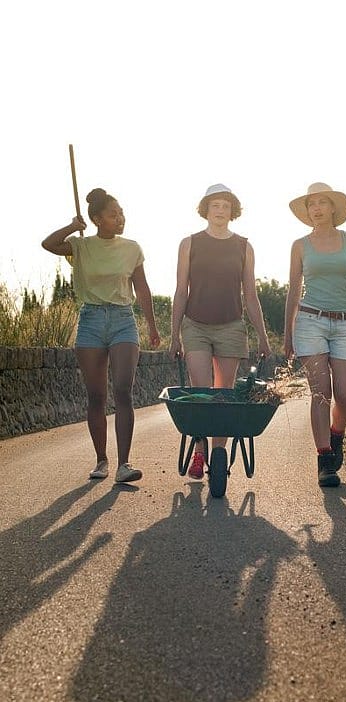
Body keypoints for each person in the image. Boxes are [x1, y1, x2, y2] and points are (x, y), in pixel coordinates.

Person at [42, 188, 160, 483]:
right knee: (96, 396)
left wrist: (153, 326)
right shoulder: (81, 246)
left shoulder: (132, 247)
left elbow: (142, 289)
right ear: (96, 219)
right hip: (91, 320)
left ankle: (124, 464)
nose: (120, 218)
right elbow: (48, 244)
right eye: (113, 214)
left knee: (123, 390)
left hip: (123, 320)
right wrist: (72, 226)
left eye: (121, 213)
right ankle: (102, 461)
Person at [169, 183, 271, 479]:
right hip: (195, 325)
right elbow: (180, 291)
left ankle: (218, 451)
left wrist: (263, 336)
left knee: (224, 395)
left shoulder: (244, 246)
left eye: (226, 206)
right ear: (206, 209)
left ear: (232, 211)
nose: (220, 210)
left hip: (231, 326)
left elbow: (250, 295)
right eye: (215, 205)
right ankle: (200, 452)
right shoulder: (189, 243)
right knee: (201, 393)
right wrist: (174, 334)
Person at [284, 182, 346, 488]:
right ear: (308, 211)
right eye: (312, 204)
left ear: (333, 207)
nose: (317, 209)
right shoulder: (299, 245)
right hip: (310, 322)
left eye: (323, 203)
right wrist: (287, 335)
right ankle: (324, 460)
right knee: (321, 392)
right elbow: (293, 291)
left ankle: (337, 433)